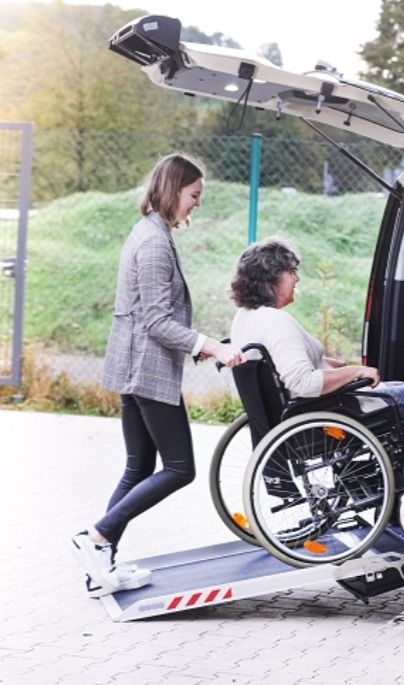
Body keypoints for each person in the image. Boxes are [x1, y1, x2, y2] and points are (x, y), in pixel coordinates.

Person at [70, 153, 242, 598]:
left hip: (139, 366)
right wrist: (210, 345)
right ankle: (96, 537)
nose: (196, 205)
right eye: (194, 195)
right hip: (147, 369)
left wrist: (196, 345)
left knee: (138, 468)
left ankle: (98, 567)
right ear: (173, 189)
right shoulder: (152, 242)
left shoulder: (152, 233)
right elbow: (156, 321)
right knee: (180, 468)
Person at [229, 238, 404, 481]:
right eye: (292, 271)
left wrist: (325, 362)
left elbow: (279, 364)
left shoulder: (246, 318)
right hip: (322, 412)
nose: (297, 279)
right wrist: (355, 371)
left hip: (293, 412)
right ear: (272, 277)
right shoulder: (276, 322)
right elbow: (304, 383)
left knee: (401, 390)